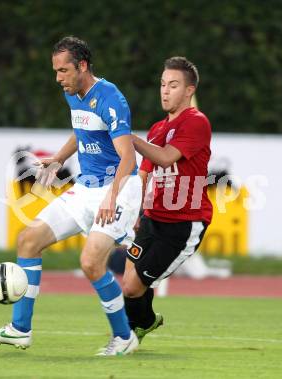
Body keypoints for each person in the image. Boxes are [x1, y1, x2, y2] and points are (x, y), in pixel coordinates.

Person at [0, 36, 142, 356]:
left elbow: (128, 158)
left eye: (63, 70)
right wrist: (59, 157)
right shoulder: (74, 94)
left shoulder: (111, 99)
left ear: (82, 66)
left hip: (118, 189)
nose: (58, 78)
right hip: (86, 187)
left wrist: (111, 197)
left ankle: (124, 338)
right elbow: (81, 130)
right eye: (55, 71)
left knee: (91, 262)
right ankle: (19, 330)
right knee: (28, 240)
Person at [121, 56, 213, 343]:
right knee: (128, 283)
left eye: (173, 85)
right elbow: (145, 175)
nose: (165, 90)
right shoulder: (157, 129)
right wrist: (135, 215)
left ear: (189, 90)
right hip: (152, 218)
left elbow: (164, 157)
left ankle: (132, 332)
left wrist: (127, 137)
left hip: (182, 224)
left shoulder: (196, 122)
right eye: (162, 84)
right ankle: (141, 324)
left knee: (134, 287)